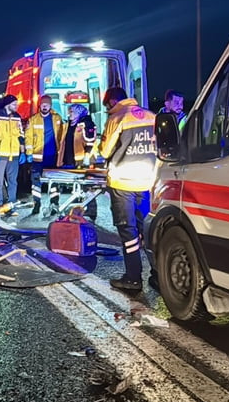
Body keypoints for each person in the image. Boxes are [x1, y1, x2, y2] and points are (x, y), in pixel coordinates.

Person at [97, 87, 157, 293]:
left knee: (128, 230)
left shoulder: (118, 118)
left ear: (113, 101)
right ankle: (158, 276)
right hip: (147, 180)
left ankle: (133, 278)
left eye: (107, 106)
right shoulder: (150, 116)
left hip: (123, 182)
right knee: (147, 230)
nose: (108, 110)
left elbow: (105, 151)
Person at [59, 91, 100, 220]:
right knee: (78, 185)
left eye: (72, 112)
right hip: (71, 159)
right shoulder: (69, 124)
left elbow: (90, 141)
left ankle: (91, 209)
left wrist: (87, 155)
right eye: (69, 112)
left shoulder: (86, 123)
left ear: (79, 113)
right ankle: (80, 207)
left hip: (83, 159)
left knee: (88, 186)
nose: (69, 114)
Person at [24, 95, 65, 217]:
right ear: (40, 105)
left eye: (47, 104)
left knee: (54, 183)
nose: (45, 106)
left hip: (53, 156)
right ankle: (36, 204)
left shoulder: (57, 119)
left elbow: (62, 135)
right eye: (43, 104)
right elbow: (28, 137)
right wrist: (28, 153)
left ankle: (54, 204)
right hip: (37, 157)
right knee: (36, 182)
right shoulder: (33, 120)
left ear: (50, 105)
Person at [0, 94, 25, 216]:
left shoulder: (17, 117)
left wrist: (22, 152)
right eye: (14, 104)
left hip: (14, 154)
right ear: (8, 104)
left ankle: (11, 206)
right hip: (0, 153)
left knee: (13, 181)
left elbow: (21, 135)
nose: (16, 106)